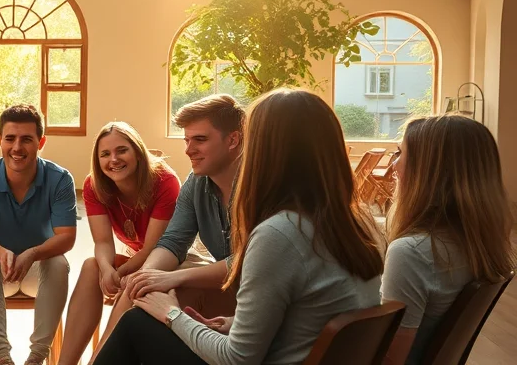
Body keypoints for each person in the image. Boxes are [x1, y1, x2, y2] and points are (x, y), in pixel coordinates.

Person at [95, 87, 385, 364]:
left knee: (137, 324)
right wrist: (230, 324)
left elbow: (236, 359)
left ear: (269, 150)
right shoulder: (356, 222)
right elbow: (309, 312)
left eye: (253, 139)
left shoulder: (280, 232)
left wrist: (172, 314)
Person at [91, 94, 244, 356]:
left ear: (233, 140)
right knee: (141, 293)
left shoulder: (259, 186)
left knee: (148, 305)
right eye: (186, 140)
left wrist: (169, 277)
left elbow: (247, 263)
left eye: (200, 139)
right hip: (225, 289)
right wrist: (146, 277)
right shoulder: (196, 184)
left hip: (254, 299)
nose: (188, 150)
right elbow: (172, 242)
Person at [381, 115, 516, 365]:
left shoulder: (412, 253)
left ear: (430, 171)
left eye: (400, 153)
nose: (394, 166)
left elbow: (391, 360)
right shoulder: (477, 245)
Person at [0, 104, 78, 365]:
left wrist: (33, 254)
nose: (17, 147)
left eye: (26, 139)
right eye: (10, 138)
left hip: (39, 271)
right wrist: (2, 252)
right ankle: (2, 358)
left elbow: (67, 237)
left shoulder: (60, 179)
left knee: (58, 262)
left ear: (41, 142)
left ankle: (36, 358)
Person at [57, 122, 181, 365]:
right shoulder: (95, 185)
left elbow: (153, 249)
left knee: (130, 284)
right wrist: (106, 270)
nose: (113, 159)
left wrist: (121, 273)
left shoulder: (165, 181)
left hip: (173, 260)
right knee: (92, 267)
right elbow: (103, 242)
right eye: (105, 154)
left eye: (121, 150)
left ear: (137, 151)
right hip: (138, 257)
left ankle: (98, 360)